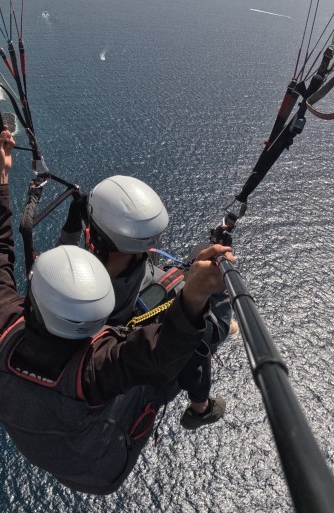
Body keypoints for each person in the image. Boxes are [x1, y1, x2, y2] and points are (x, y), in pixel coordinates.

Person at [0, 128, 234, 495]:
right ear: (97, 330)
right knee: (203, 337)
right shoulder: (96, 368)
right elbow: (158, 355)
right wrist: (197, 296)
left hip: (47, 440)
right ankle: (201, 406)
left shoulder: (5, 323)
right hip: (102, 467)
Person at [57, 174, 233, 429]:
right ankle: (200, 407)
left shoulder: (67, 278)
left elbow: (60, 255)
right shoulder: (172, 293)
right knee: (197, 341)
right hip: (145, 367)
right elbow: (212, 335)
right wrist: (212, 293)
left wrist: (71, 226)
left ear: (90, 232)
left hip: (90, 361)